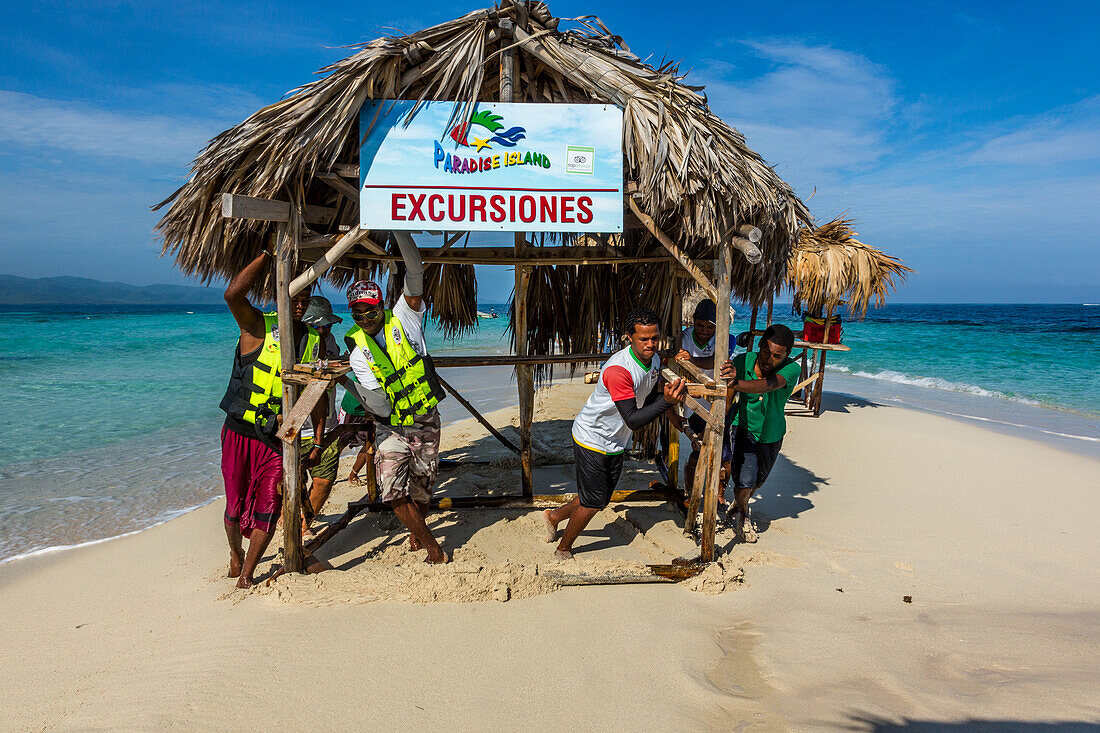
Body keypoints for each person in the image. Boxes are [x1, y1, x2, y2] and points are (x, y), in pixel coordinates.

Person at [218, 251, 327, 588]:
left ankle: (247, 575)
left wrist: (319, 439)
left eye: (306, 296)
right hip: (239, 433)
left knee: (269, 502)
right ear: (281, 291)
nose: (300, 302)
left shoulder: (313, 339)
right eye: (295, 294)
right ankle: (236, 555)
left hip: (277, 438)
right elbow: (232, 295)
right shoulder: (257, 325)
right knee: (235, 505)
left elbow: (315, 394)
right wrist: (266, 255)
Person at [542, 308, 686, 559]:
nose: (650, 344)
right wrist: (667, 402)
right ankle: (563, 548)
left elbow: (647, 394)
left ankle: (553, 517)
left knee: (599, 497)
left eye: (655, 338)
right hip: (592, 437)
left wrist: (671, 367)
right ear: (629, 337)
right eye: (643, 339)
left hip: (615, 439)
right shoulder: (619, 370)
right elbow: (633, 419)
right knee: (593, 501)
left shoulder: (653, 359)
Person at [344, 232, 449, 564]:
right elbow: (379, 403)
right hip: (391, 426)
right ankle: (432, 546)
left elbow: (415, 272)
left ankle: (418, 532)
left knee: (422, 488)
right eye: (358, 314)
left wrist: (398, 229)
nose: (365, 318)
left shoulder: (405, 316)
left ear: (381, 305)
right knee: (391, 491)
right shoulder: (359, 352)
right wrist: (351, 389)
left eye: (370, 310)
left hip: (425, 419)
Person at [718, 323, 801, 543]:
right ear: (761, 345)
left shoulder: (792, 369)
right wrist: (720, 426)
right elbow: (727, 395)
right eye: (766, 351)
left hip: (772, 433)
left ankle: (739, 504)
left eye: (777, 356)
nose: (769, 359)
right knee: (744, 481)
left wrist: (736, 382)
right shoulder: (742, 361)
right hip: (743, 426)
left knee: (757, 482)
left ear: (786, 355)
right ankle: (744, 516)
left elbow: (766, 386)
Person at [675, 298, 737, 504]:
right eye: (700, 326)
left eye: (709, 327)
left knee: (725, 454)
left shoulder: (727, 339)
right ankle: (691, 491)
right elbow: (677, 362)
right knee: (699, 446)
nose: (704, 331)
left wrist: (691, 360)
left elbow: (717, 361)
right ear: (693, 321)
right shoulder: (684, 337)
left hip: (718, 401)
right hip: (694, 404)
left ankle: (719, 495)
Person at [299, 296, 343, 537]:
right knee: (290, 482)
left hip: (326, 424)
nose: (324, 330)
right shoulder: (294, 342)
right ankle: (287, 516)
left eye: (328, 325)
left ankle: (306, 523)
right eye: (319, 326)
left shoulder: (331, 340)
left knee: (324, 481)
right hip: (297, 425)